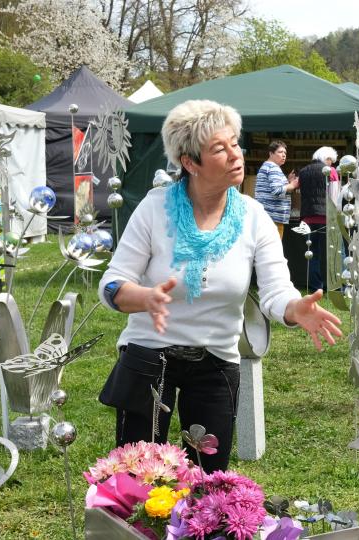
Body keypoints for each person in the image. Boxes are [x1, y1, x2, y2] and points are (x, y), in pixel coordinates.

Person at [97, 100, 343, 472]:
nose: (235, 155)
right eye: (219, 149)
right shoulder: (154, 208)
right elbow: (111, 285)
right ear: (190, 163)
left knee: (209, 485)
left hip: (216, 362)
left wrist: (295, 309)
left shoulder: (254, 217)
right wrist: (145, 297)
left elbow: (277, 290)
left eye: (234, 143)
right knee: (138, 481)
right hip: (149, 360)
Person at [297, 146, 339, 292]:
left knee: (312, 253)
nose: (331, 164)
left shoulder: (303, 172)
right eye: (330, 160)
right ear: (325, 158)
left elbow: (300, 192)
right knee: (334, 252)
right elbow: (334, 196)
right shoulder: (331, 172)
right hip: (326, 217)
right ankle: (336, 287)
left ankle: (316, 287)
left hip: (307, 218)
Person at [254, 140, 299, 236]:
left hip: (268, 216)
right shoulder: (273, 167)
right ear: (271, 153)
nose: (283, 155)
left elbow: (274, 189)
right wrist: (292, 185)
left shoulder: (267, 166)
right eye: (280, 152)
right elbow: (277, 190)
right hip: (273, 218)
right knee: (273, 250)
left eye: (285, 153)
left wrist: (288, 182)